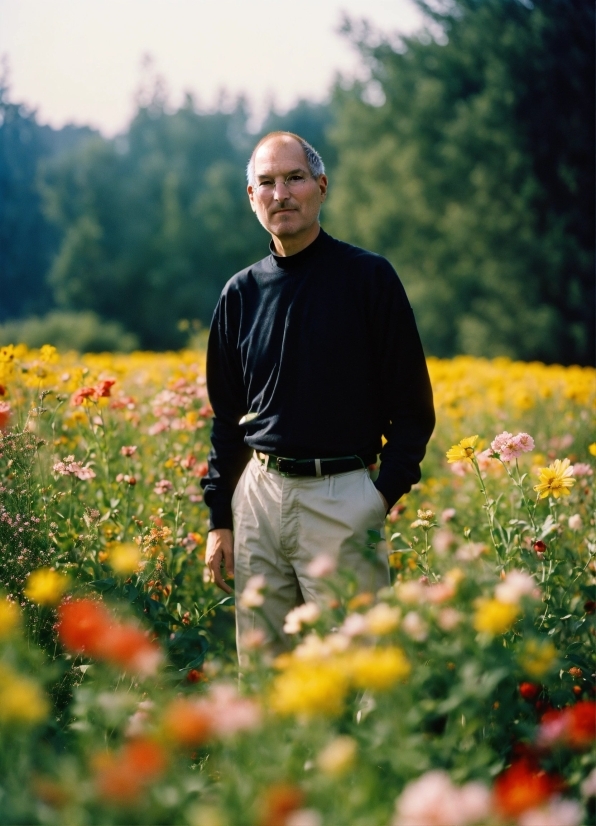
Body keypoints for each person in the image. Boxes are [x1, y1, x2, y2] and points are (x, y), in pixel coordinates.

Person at [200, 131, 435, 664]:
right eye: (266, 183)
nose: (280, 193)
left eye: (294, 178)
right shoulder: (240, 293)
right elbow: (226, 418)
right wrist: (220, 519)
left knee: (364, 672)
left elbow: (414, 408)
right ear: (251, 198)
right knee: (264, 675)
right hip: (257, 499)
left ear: (321, 187)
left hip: (342, 497)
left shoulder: (368, 278)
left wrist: (377, 499)